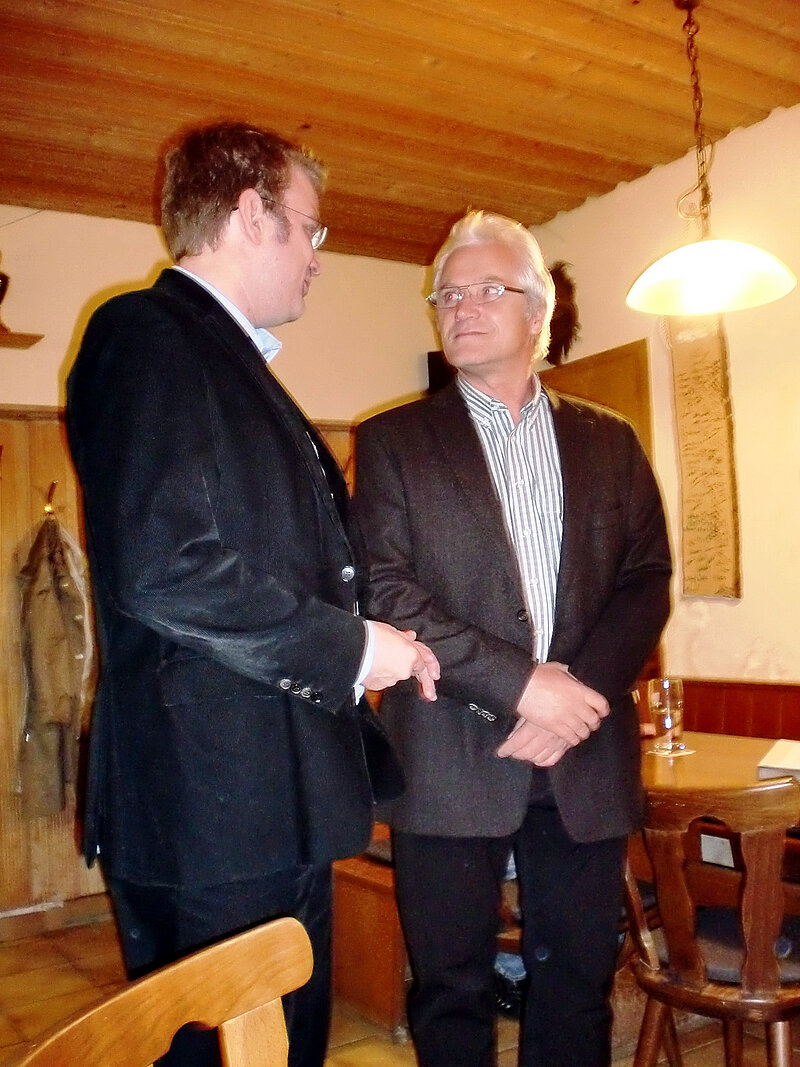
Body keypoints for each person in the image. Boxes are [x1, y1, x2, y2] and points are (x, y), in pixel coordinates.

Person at [66, 121, 439, 1067]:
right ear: (248, 214)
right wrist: (354, 647)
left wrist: (368, 633)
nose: (319, 254)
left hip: (263, 806)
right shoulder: (146, 334)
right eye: (310, 228)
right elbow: (164, 567)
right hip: (209, 816)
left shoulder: (222, 359)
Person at [351, 211, 672, 1066]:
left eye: (487, 289)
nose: (461, 307)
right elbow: (386, 589)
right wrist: (526, 687)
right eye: (447, 295)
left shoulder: (610, 440)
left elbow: (647, 577)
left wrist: (576, 698)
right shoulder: (392, 441)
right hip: (445, 754)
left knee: (577, 986)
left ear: (539, 310)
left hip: (584, 753)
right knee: (449, 989)